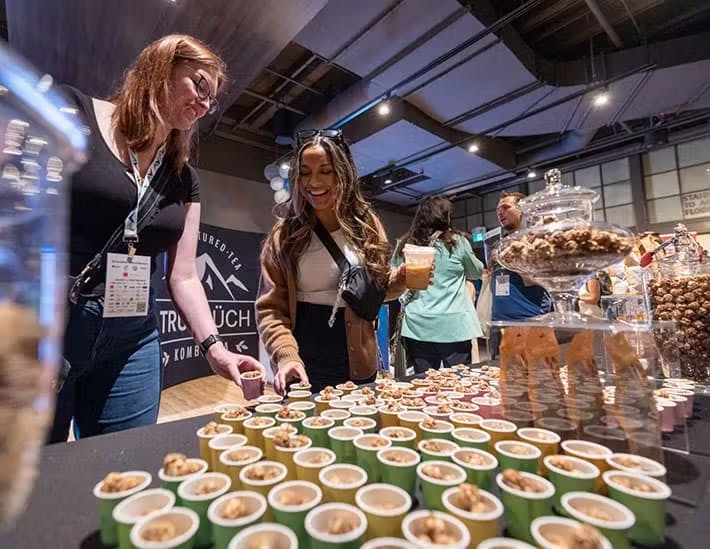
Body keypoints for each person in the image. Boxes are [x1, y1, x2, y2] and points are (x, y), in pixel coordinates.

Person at [49, 35, 265, 442]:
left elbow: (183, 276)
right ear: (161, 66)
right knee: (37, 469)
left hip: (132, 336)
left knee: (126, 466)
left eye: (212, 99)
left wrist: (216, 349)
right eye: (200, 84)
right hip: (54, 325)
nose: (204, 103)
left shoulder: (184, 178)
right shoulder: (71, 110)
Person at [256, 129, 406, 394]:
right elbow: (270, 310)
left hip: (359, 365)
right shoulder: (284, 237)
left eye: (325, 171)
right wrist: (286, 355)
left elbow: (377, 289)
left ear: (343, 173)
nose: (314, 182)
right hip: (303, 368)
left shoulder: (367, 226)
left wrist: (402, 281)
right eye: (305, 172)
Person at [393, 197, 484, 372]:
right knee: (459, 382)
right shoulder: (457, 243)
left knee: (423, 383)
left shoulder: (405, 244)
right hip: (454, 325)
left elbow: (393, 279)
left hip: (417, 325)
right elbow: (476, 272)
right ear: (445, 217)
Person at [489, 191, 552, 358]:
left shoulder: (537, 240)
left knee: (534, 376)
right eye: (497, 210)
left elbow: (547, 280)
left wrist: (513, 261)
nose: (500, 213)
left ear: (522, 210)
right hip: (499, 322)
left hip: (529, 321)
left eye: (506, 207)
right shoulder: (499, 245)